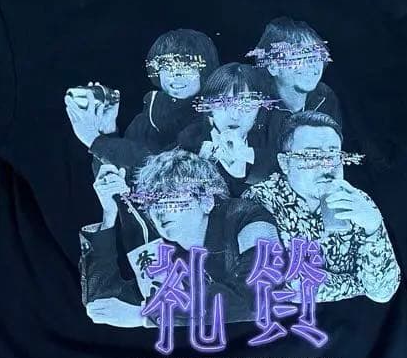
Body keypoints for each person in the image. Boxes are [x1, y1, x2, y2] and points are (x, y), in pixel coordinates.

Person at [80, 149, 278, 329]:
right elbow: (102, 306)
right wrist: (109, 215)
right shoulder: (169, 252)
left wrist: (146, 315)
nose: (160, 212)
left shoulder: (248, 218)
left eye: (172, 199)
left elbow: (256, 296)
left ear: (206, 201)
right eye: (153, 203)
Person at [244, 111, 400, 303]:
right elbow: (288, 285)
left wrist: (374, 227)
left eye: (333, 154)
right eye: (312, 155)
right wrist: (360, 286)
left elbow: (383, 291)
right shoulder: (259, 200)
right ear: (285, 163)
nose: (327, 166)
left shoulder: (356, 202)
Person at [65, 28, 220, 173]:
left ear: (204, 70)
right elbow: (122, 177)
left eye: (186, 66)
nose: (175, 75)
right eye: (167, 67)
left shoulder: (217, 115)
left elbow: (167, 171)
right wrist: (108, 131)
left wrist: (95, 140)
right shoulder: (149, 115)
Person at [176, 62, 279, 195]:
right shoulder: (187, 149)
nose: (235, 115)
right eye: (224, 103)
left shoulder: (271, 148)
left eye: (246, 104)